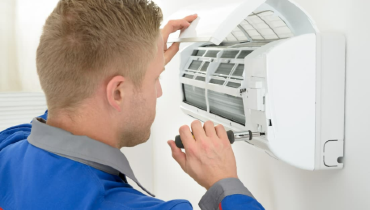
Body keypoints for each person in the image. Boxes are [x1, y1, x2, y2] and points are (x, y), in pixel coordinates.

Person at [0, 0, 265, 210]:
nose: (159, 92)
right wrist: (224, 181)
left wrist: (139, 58)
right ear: (117, 93)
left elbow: (68, 101)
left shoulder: (7, 146)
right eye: (156, 78)